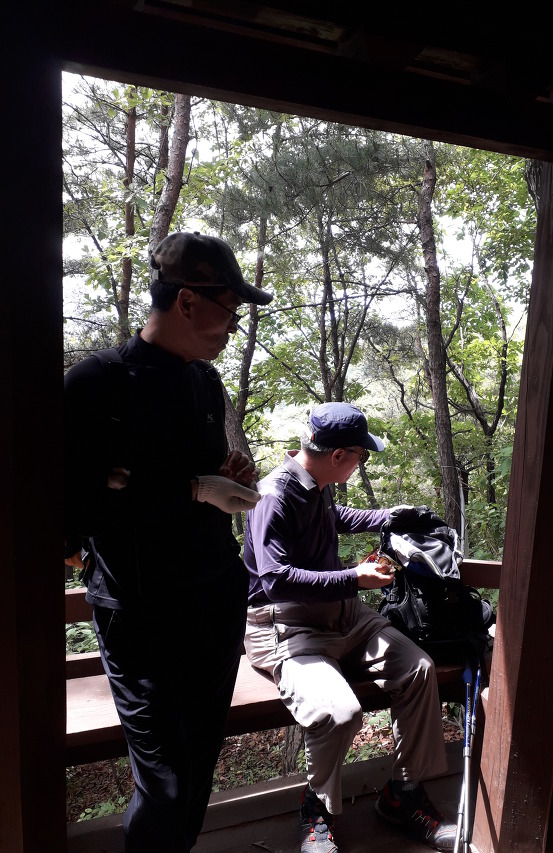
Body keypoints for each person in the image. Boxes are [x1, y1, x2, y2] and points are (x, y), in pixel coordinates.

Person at [64, 231, 272, 853]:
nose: (233, 325)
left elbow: (170, 486)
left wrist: (226, 478)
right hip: (140, 613)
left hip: (214, 602)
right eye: (229, 309)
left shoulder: (204, 383)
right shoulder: (97, 383)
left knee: (200, 763)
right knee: (165, 782)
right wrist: (192, 489)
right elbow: (76, 507)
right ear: (187, 300)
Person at [243, 402, 456, 853]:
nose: (361, 462)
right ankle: (316, 810)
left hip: (343, 615)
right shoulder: (273, 496)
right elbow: (275, 579)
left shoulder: (316, 485)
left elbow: (333, 518)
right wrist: (354, 578)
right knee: (339, 712)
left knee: (418, 669)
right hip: (287, 626)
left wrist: (390, 517)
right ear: (338, 455)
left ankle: (402, 795)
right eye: (361, 454)